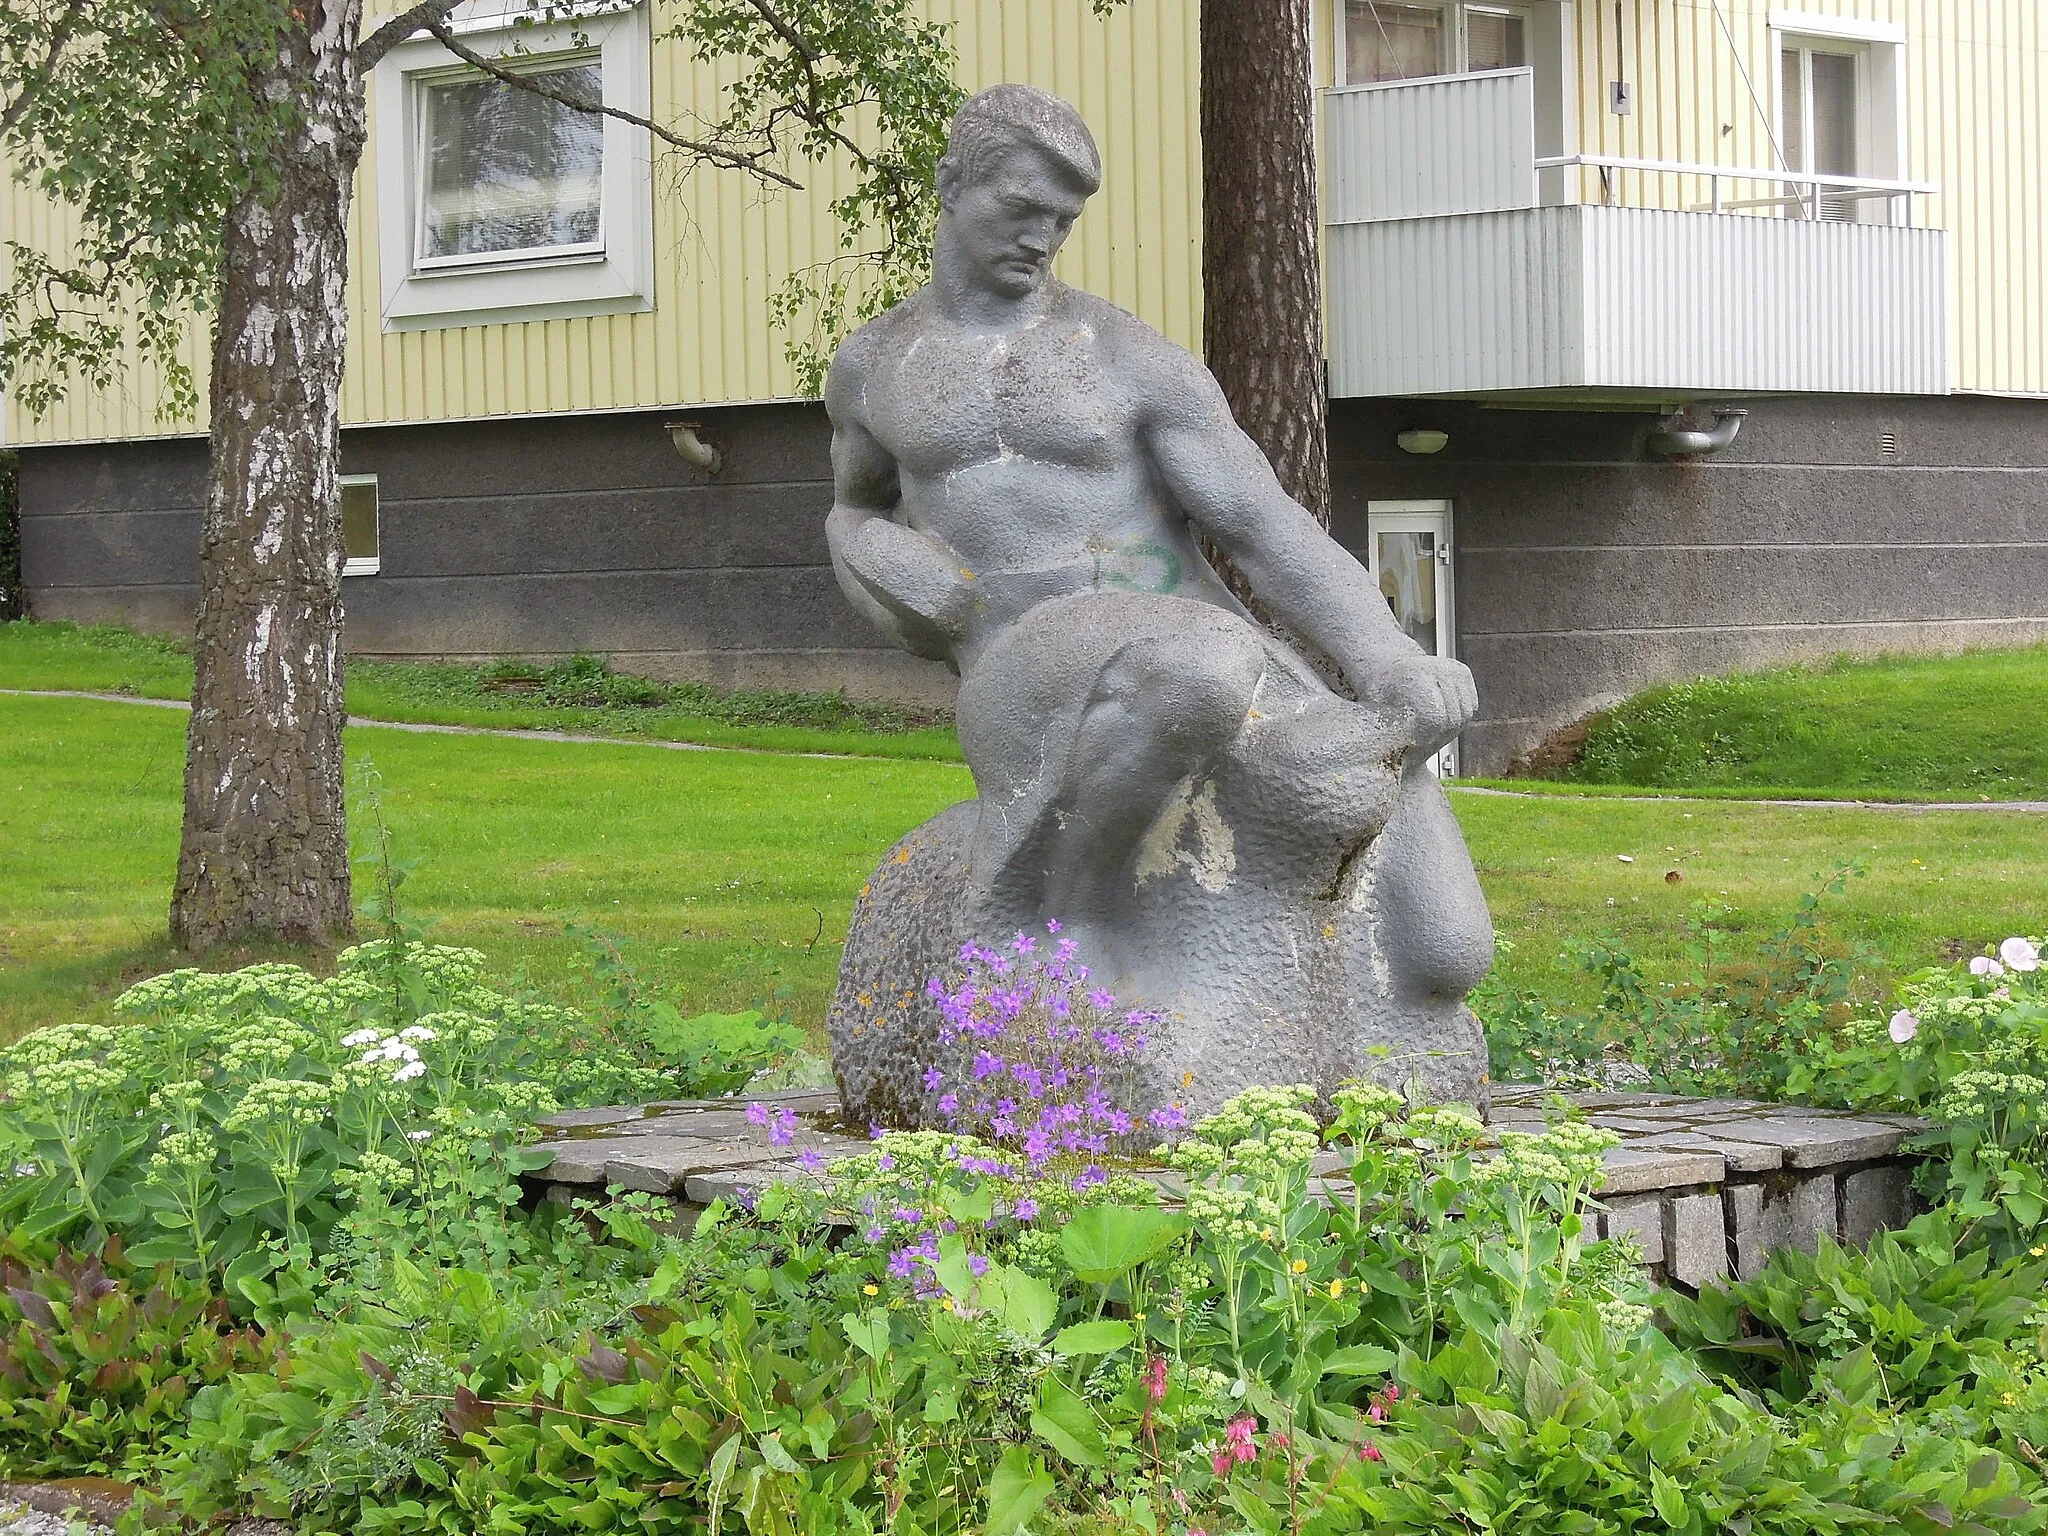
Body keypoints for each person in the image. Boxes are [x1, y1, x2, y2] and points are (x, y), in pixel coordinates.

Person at [825, 84, 1492, 1108]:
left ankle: (1353, 1044)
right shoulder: (874, 366)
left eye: (1061, 219)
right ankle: (1064, 920)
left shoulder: (1125, 358)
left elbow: (1263, 527)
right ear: (951, 185)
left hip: (1215, 656)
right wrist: (882, 571)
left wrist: (1388, 660)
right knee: (1192, 662)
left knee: (1444, 949)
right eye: (1019, 207)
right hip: (1031, 664)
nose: (1040, 236)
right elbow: (852, 510)